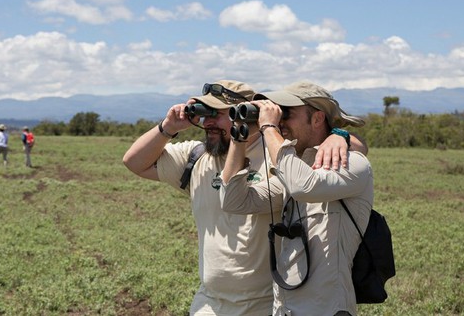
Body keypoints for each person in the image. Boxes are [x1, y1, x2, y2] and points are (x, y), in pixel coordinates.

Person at [122, 80, 366, 315]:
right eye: (204, 115)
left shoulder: (279, 153)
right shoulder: (196, 157)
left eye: (216, 114)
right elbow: (134, 162)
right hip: (210, 302)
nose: (207, 123)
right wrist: (169, 127)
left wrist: (339, 135)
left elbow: (321, 154)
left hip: (267, 303)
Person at [220, 81, 373, 316]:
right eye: (276, 113)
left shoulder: (352, 164)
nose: (280, 121)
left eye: (286, 113)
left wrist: (269, 126)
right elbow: (234, 201)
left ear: (317, 119)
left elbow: (304, 186)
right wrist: (238, 139)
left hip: (326, 309)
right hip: (284, 308)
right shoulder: (293, 170)